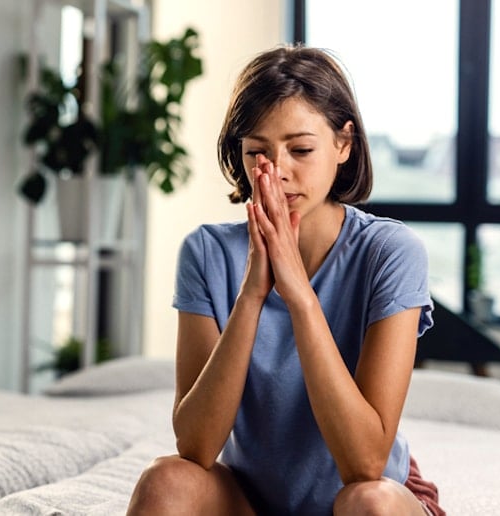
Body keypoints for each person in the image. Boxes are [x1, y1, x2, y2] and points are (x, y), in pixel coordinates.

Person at [126, 44, 445, 515]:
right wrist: (253, 292)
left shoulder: (390, 253)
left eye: (301, 149)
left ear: (344, 144)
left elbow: (365, 463)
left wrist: (299, 294)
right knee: (164, 481)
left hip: (362, 496)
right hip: (252, 502)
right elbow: (195, 446)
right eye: (258, 151)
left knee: (370, 501)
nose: (277, 173)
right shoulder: (207, 253)